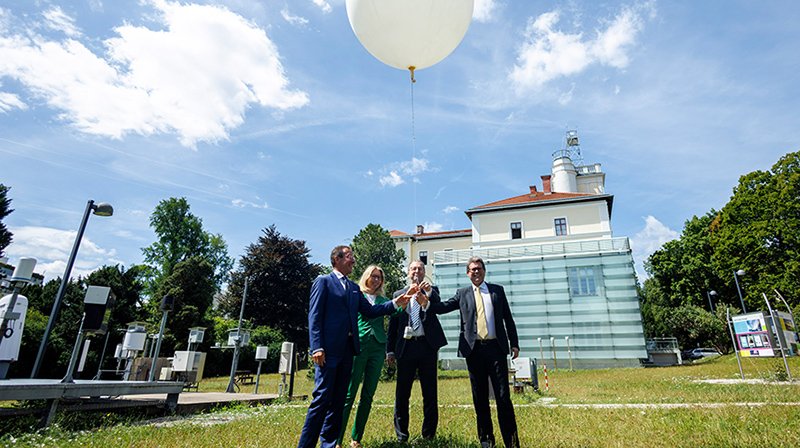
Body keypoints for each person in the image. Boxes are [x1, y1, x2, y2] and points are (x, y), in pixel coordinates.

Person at [298, 246, 413, 448]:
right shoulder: (323, 282)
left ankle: (329, 445)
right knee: (322, 399)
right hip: (327, 352)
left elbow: (370, 310)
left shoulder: (353, 288)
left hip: (348, 352)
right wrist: (317, 347)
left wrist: (396, 303)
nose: (353, 260)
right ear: (337, 258)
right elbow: (314, 316)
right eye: (349, 256)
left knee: (338, 400)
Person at [424, 256, 520, 448]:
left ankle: (511, 442)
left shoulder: (497, 291)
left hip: (496, 349)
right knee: (480, 397)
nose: (476, 272)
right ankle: (486, 441)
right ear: (467, 273)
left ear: (484, 271)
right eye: (472, 269)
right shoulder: (463, 293)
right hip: (474, 351)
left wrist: (514, 343)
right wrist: (425, 302)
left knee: (503, 397)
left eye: (479, 269)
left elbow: (507, 318)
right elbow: (443, 307)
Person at [337, 265, 399, 448]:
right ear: (366, 277)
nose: (376, 280)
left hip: (378, 348)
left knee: (368, 395)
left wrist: (410, 298)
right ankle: (337, 440)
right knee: (349, 393)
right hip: (359, 346)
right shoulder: (356, 295)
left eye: (379, 277)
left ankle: (356, 438)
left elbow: (398, 310)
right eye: (373, 276)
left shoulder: (384, 299)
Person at [386, 260, 447, 442]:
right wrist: (390, 351)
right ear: (408, 272)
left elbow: (437, 304)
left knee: (429, 393)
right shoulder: (399, 294)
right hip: (406, 347)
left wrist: (427, 293)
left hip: (427, 347)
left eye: (420, 269)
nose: (416, 271)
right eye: (413, 268)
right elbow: (393, 325)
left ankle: (429, 435)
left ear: (424, 272)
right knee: (402, 394)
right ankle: (401, 435)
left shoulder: (432, 291)